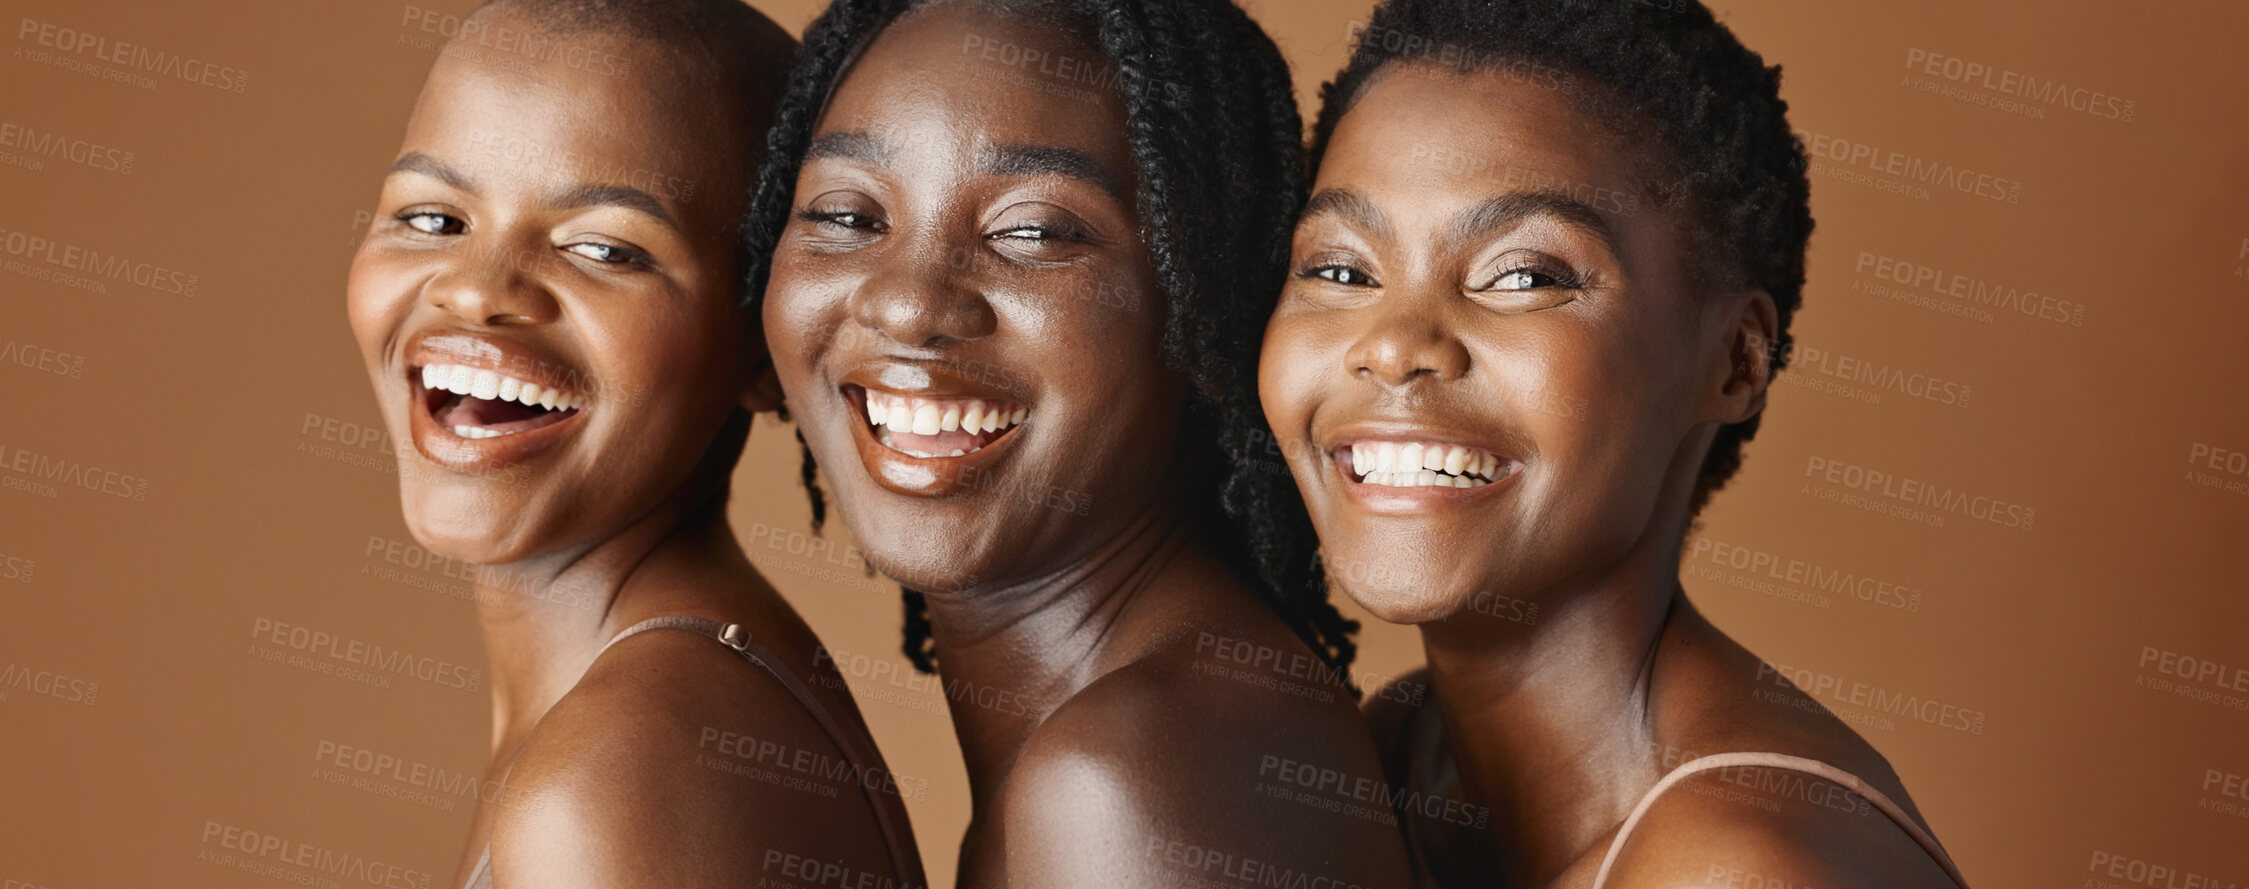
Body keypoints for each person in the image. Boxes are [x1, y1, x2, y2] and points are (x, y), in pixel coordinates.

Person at [1257, 0, 1968, 886]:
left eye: (1524, 275)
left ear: (1736, 361)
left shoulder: (1744, 866)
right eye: (1340, 269)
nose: (1396, 344)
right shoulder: (1390, 755)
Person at [750, 0, 1413, 886]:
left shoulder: (1132, 776)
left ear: (1201, 301)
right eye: (848, 215)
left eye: (1032, 231)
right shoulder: (1132, 734)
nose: (906, 304)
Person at [344, 2, 923, 886]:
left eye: (606, 248)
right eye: (432, 219)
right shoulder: (650, 710)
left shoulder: (626, 768)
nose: (478, 291)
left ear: (764, 342)